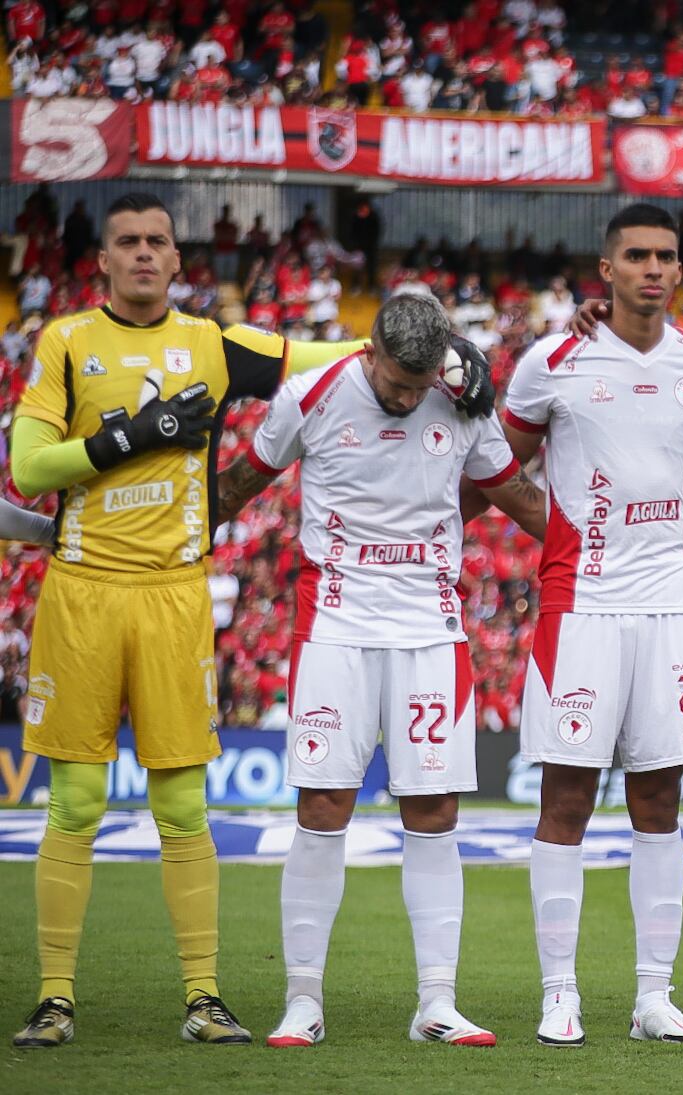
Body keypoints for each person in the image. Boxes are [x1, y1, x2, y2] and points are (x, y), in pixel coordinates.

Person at [7, 192, 494, 1050]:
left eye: (159, 240)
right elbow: (29, 468)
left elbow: (350, 349)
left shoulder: (214, 343)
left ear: (178, 259)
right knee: (77, 799)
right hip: (82, 585)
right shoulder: (66, 341)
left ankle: (203, 996)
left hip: (176, 588)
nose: (146, 254)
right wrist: (134, 434)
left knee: (184, 803)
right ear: (104, 260)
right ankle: (55, 996)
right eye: (129, 242)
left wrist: (458, 351)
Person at [498, 203, 683, 1047]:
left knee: (659, 800)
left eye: (666, 255)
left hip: (671, 603)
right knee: (566, 798)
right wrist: (551, 525)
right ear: (606, 269)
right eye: (636, 255)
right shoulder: (552, 360)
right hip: (580, 605)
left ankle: (652, 996)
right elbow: (491, 463)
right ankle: (559, 992)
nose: (653, 268)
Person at [212, 293, 545, 1049]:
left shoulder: (462, 401)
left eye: (418, 383)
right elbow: (242, 480)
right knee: (324, 806)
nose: (404, 396)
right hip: (334, 625)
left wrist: (600, 546)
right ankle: (303, 1000)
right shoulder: (313, 394)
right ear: (370, 353)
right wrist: (184, 528)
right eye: (395, 381)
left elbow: (514, 493)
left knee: (434, 813)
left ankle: (437, 1003)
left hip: (430, 629)